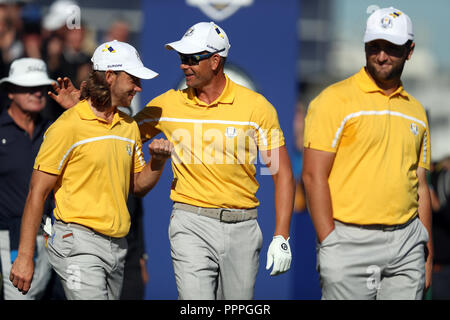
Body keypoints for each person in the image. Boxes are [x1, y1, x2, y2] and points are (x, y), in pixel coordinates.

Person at [134, 21, 295, 300]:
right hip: (190, 222)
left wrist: (281, 237)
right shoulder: (167, 104)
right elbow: (120, 136)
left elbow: (281, 174)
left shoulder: (256, 108)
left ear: (215, 61)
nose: (184, 66)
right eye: (182, 59)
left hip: (243, 226)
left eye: (192, 59)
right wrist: (85, 111)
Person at [9, 40, 173, 300]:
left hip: (118, 247)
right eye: (133, 79)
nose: (138, 87)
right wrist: (25, 257)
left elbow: (137, 187)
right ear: (110, 76)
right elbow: (36, 193)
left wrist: (158, 162)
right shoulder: (67, 126)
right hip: (77, 243)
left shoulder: (128, 127)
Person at [302, 7, 433, 300]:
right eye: (374, 47)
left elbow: (420, 184)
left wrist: (426, 251)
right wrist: (330, 243)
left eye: (392, 49)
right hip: (348, 241)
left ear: (409, 51)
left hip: (407, 243)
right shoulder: (333, 100)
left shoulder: (416, 111)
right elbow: (313, 176)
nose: (382, 56)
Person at [0, 57, 57, 299]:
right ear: (11, 92)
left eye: (41, 87)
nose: (37, 93)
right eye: (28, 87)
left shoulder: (55, 130)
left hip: (52, 237)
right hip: (7, 237)